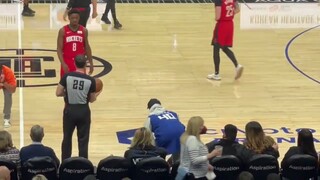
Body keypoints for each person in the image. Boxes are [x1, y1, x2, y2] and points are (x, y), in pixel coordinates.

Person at [56, 55, 97, 161]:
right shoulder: (90, 80)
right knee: (83, 140)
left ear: (74, 63)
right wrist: (98, 93)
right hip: (83, 111)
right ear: (85, 65)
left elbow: (58, 92)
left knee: (67, 138)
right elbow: (92, 99)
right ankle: (83, 165)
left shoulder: (67, 76)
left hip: (70, 110)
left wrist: (68, 93)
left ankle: (65, 163)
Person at [207, 0, 243, 81]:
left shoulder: (218, 1)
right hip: (230, 24)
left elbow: (218, 17)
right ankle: (237, 65)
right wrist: (228, 14)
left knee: (216, 49)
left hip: (222, 26)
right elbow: (237, 9)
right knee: (224, 48)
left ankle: (216, 74)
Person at [144, 98, 185, 164]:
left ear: (150, 108)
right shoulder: (174, 114)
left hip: (165, 137)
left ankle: (160, 166)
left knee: (155, 149)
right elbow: (178, 127)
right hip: (183, 136)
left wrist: (152, 148)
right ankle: (176, 165)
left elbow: (146, 135)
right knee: (178, 147)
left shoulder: (151, 118)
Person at [57, 9, 94, 79]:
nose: (75, 20)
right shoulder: (63, 31)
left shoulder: (84, 30)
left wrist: (91, 63)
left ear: (79, 18)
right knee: (64, 85)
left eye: (76, 18)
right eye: (72, 18)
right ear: (69, 18)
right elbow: (59, 49)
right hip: (67, 62)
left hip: (80, 63)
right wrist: (63, 63)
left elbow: (87, 47)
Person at [0, 63, 17, 128]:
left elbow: (13, 90)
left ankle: (7, 118)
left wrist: (4, 84)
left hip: (6, 84)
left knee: (8, 96)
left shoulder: (8, 72)